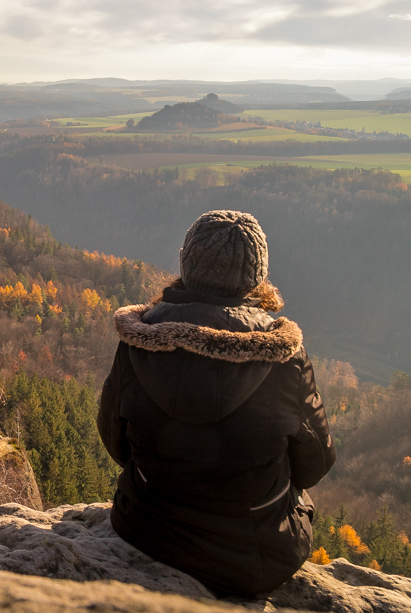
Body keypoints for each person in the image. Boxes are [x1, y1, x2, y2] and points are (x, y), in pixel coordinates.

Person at [97, 209, 336, 597]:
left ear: (187, 263)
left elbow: (115, 441)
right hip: (252, 559)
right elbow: (315, 464)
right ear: (256, 276)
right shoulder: (282, 357)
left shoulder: (139, 341)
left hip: (146, 529)